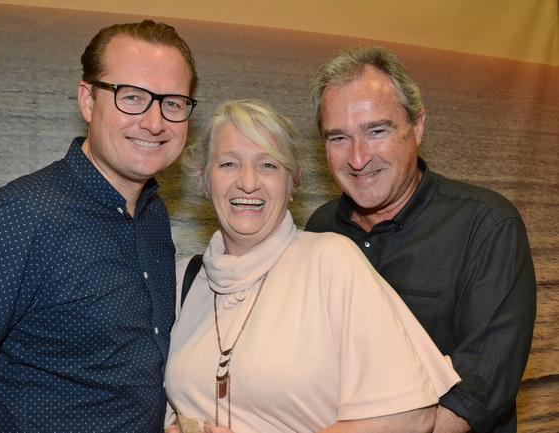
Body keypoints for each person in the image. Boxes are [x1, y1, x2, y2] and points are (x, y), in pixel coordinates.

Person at [0, 20, 198, 433]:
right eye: (131, 97)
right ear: (87, 100)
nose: (154, 121)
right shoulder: (22, 215)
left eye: (172, 103)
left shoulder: (153, 217)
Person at [163, 99, 460, 433]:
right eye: (229, 164)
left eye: (269, 166)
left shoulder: (330, 263)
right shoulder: (183, 281)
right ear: (204, 180)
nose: (248, 182)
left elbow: (410, 415)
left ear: (293, 182)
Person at [306, 46, 536, 433]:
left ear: (418, 127)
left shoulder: (487, 226)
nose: (358, 158)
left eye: (376, 131)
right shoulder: (320, 228)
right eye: (338, 138)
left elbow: (478, 390)